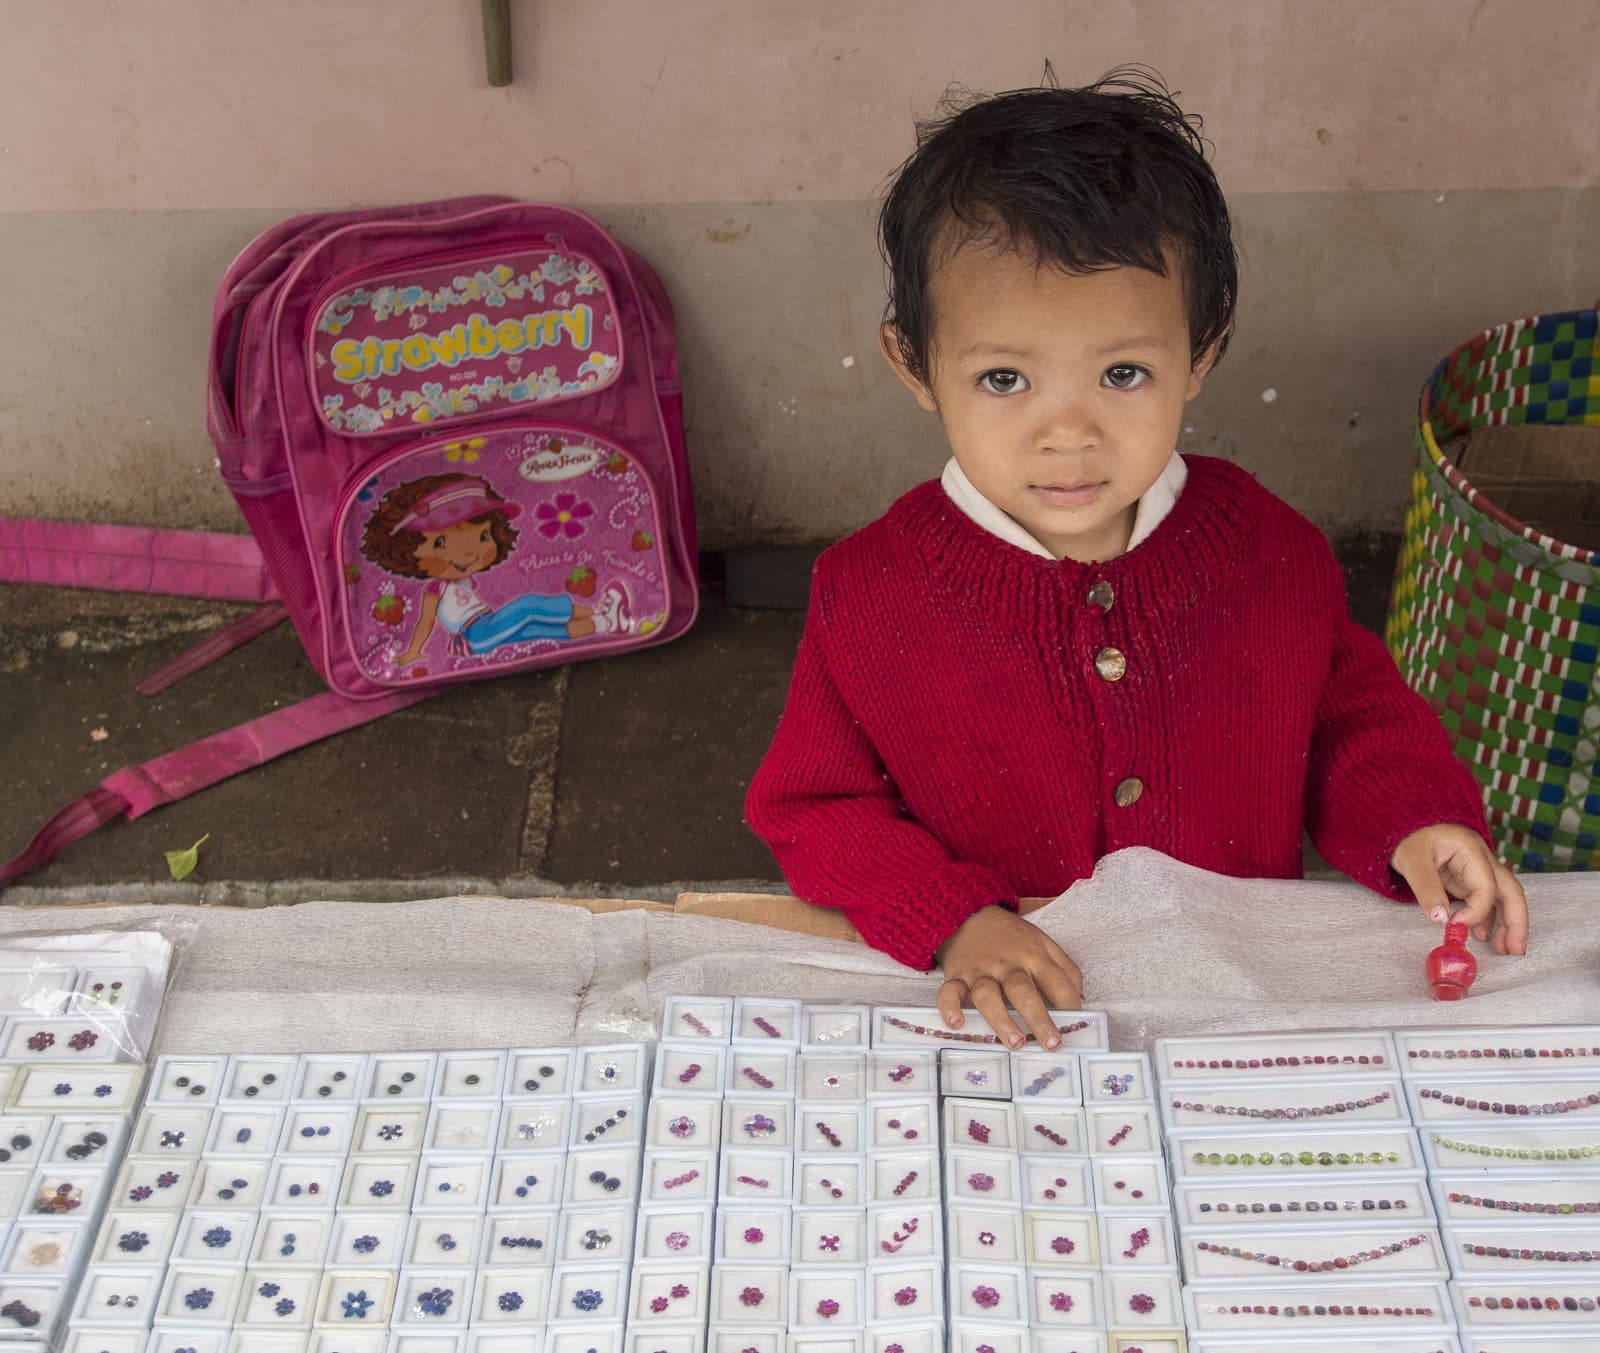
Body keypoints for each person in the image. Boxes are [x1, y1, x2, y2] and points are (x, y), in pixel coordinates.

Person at [744, 69, 1528, 1049]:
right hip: (1006, 1025)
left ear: (1200, 354)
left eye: (1122, 372)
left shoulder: (1269, 552)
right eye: (1003, 378)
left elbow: (1350, 720)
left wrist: (1415, 820)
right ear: (915, 365)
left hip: (1230, 1012)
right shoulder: (869, 592)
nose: (1068, 432)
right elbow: (816, 806)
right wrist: (954, 918)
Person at [359, 472, 634, 667]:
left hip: (486, 625)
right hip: (476, 634)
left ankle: (607, 624)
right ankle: (597, 610)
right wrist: (413, 651)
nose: (468, 552)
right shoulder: (436, 587)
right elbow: (426, 621)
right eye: (440, 543)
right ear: (407, 551)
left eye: (483, 536)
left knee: (540, 629)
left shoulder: (462, 581)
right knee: (528, 605)